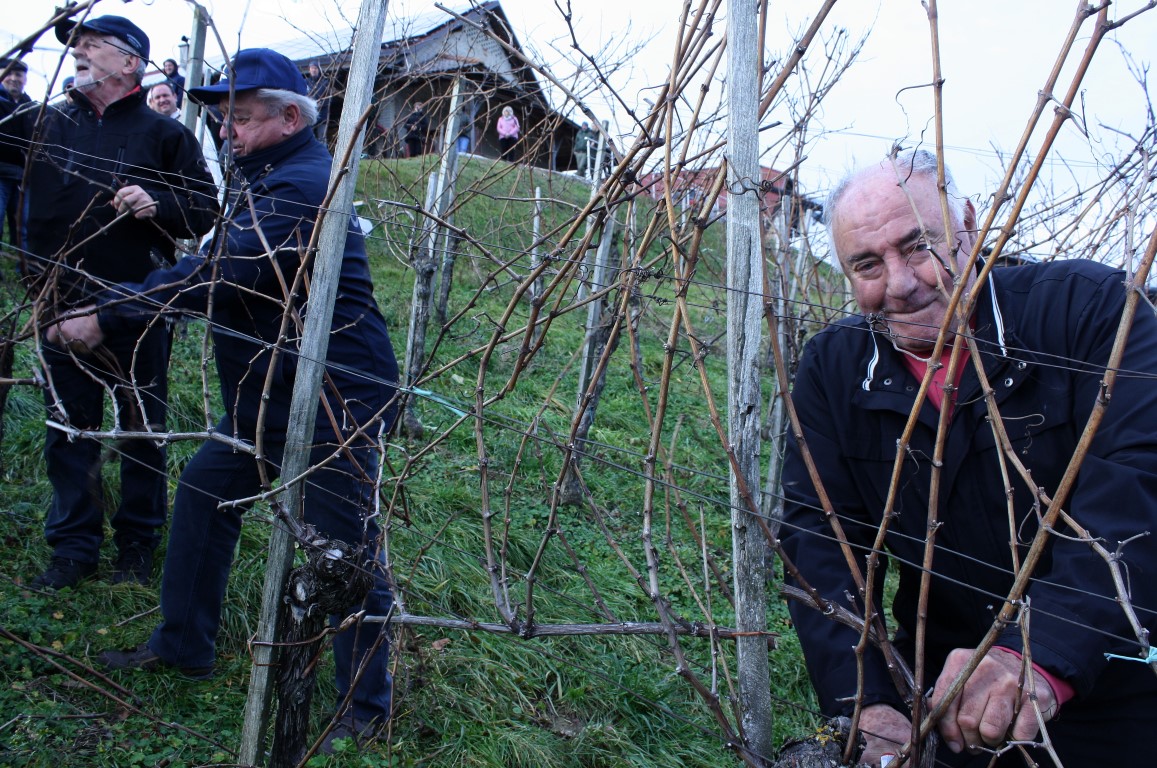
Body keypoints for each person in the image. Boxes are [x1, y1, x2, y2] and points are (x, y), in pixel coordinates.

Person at [50, 47, 398, 748]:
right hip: (264, 395)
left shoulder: (302, 185)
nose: (226, 132)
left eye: (239, 119)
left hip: (334, 401)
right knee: (205, 498)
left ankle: (362, 712)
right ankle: (183, 644)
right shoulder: (263, 176)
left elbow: (227, 276)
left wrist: (109, 313)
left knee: (343, 554)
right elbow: (207, 263)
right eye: (221, 119)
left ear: (289, 116)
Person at [779, 149, 1157, 767]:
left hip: (1126, 682)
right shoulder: (832, 368)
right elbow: (821, 539)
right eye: (868, 264)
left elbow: (1139, 491)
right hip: (942, 697)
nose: (900, 284)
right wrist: (867, 699)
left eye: (920, 245)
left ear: (972, 225)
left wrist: (1036, 653)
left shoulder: (1091, 312)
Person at [0, 15, 218, 590]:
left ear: (131, 63)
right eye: (75, 48)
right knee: (68, 427)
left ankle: (137, 548)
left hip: (137, 307)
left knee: (142, 427)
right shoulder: (39, 122)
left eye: (93, 47)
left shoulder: (165, 134)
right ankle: (73, 549)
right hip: (57, 304)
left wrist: (160, 203)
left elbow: (205, 209)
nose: (79, 54)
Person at [0, 58, 31, 244]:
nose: (13, 78)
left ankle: (26, 271)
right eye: (8, 73)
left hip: (22, 176)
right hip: (0, 173)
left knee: (23, 226)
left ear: (25, 79)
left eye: (18, 74)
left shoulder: (32, 106)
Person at [304, 60, 330, 141]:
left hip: (322, 115)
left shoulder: (325, 82)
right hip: (310, 115)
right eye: (312, 68)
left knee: (322, 138)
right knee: (309, 138)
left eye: (315, 68)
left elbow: (329, 98)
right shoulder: (306, 82)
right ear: (309, 70)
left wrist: (321, 103)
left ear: (319, 70)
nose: (314, 70)